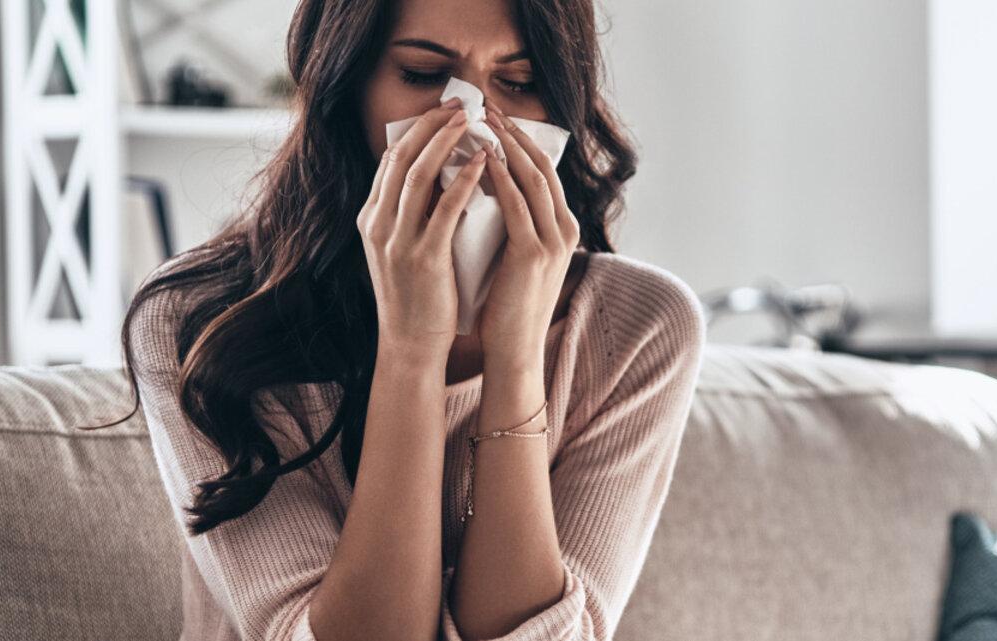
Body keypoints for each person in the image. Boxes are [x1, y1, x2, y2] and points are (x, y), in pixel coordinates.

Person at [112, 0, 706, 639]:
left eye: (520, 83)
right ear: (348, 87)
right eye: (424, 75)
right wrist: (413, 348)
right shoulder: (194, 319)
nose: (474, 122)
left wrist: (516, 356)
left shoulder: (642, 327)